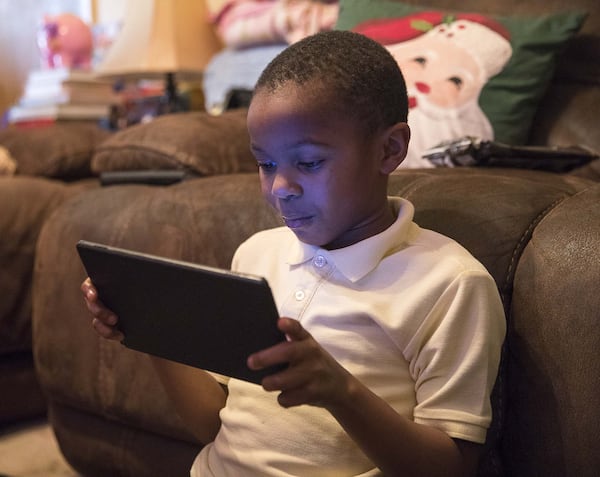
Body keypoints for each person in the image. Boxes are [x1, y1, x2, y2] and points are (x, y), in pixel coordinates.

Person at [82, 30, 506, 476]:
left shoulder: (450, 284)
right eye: (266, 164)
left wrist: (341, 391)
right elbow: (216, 426)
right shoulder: (257, 255)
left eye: (308, 163)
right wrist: (152, 331)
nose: (280, 189)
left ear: (390, 149)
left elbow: (453, 467)